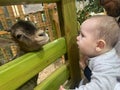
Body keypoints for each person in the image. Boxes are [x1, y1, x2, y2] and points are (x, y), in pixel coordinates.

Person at [59, 15, 120, 90]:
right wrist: (85, 68)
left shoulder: (105, 64)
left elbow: (98, 87)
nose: (77, 38)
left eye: (82, 35)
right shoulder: (104, 55)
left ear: (99, 45)